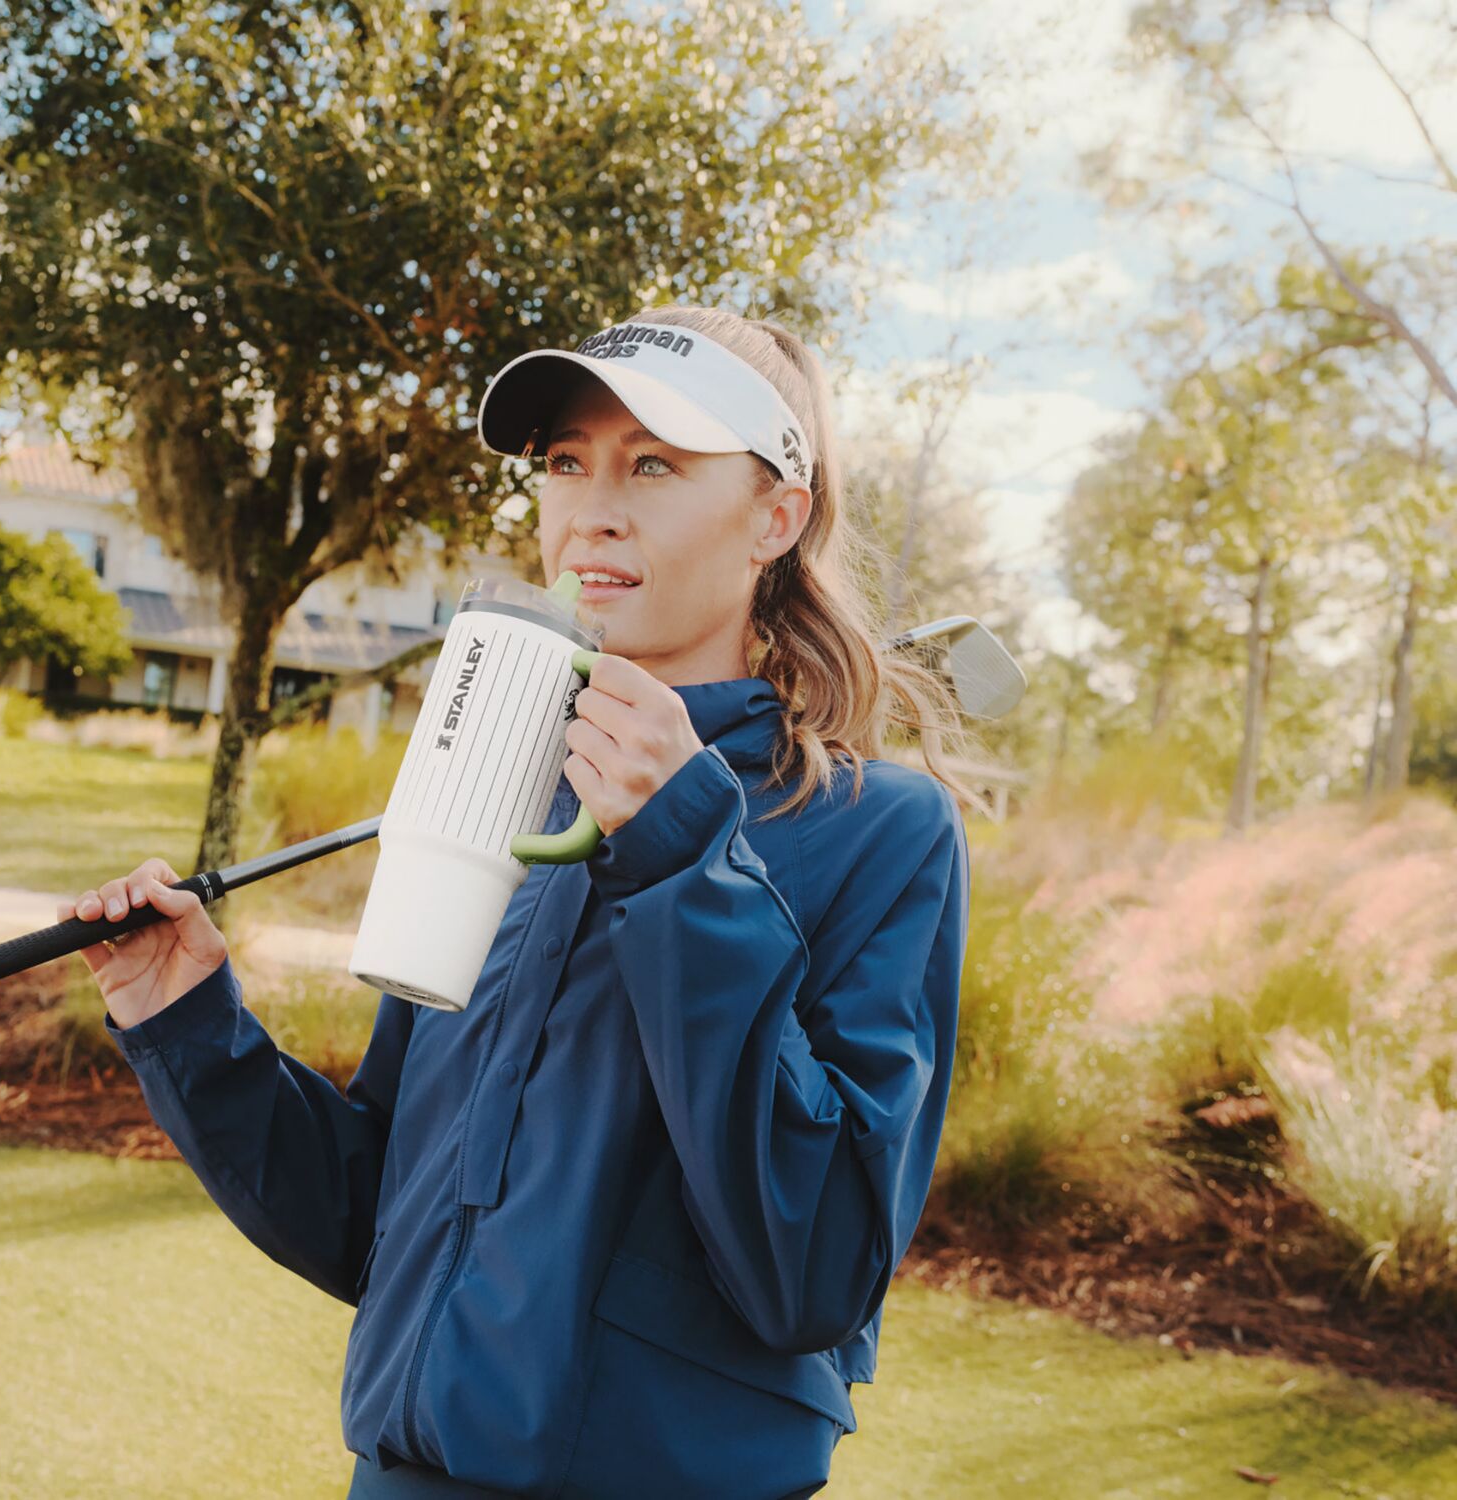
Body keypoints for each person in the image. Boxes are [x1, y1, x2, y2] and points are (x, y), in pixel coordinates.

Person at [58, 305, 977, 1499]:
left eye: (652, 465)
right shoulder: (499, 790)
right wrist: (187, 1023)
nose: (591, 509)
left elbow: (811, 1271)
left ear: (774, 518)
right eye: (563, 462)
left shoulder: (878, 830)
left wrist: (681, 851)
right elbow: (376, 1220)